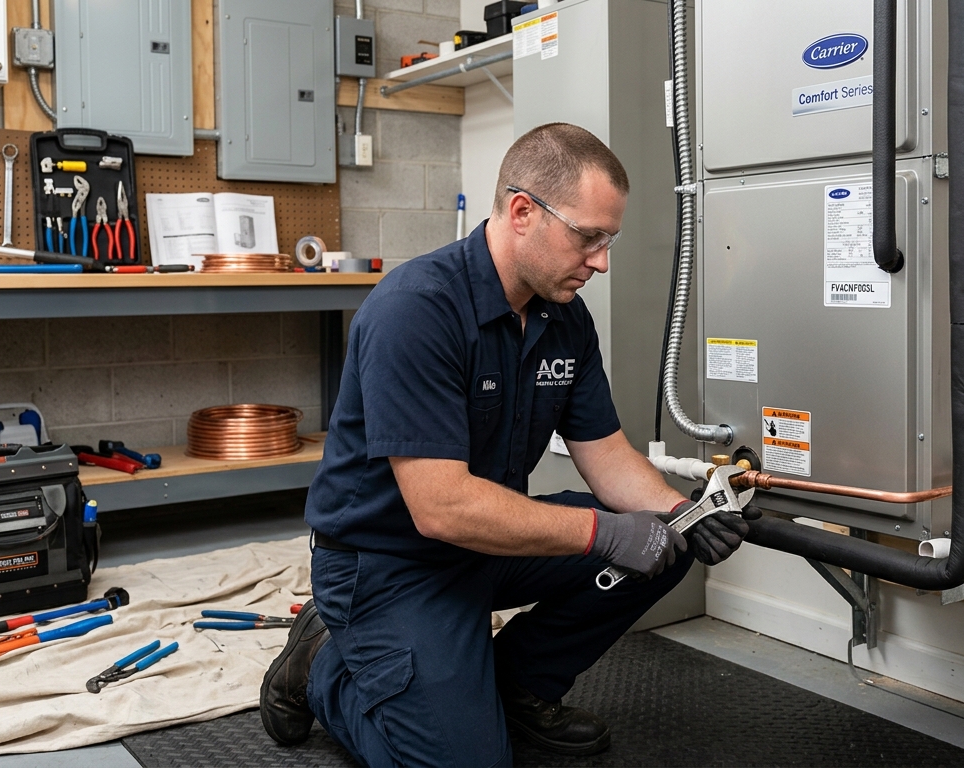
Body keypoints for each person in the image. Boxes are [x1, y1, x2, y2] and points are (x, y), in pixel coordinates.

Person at [260, 122, 753, 766]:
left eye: (610, 240)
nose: (601, 260)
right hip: (389, 565)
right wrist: (604, 534)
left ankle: (517, 689)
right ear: (523, 212)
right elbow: (441, 508)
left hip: (485, 544)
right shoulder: (416, 309)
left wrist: (682, 514)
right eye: (589, 237)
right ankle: (325, 666)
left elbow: (606, 455)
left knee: (663, 545)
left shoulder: (564, 319)